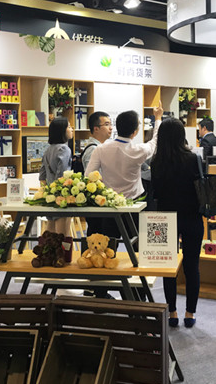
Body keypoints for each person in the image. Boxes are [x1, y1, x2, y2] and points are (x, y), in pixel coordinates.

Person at [151, 118, 204, 328]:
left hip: (165, 218)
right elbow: (200, 187)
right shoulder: (192, 158)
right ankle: (190, 313)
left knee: (168, 267)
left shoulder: (156, 162)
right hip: (191, 216)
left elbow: (155, 192)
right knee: (192, 266)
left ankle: (172, 312)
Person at [85, 106, 163, 239]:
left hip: (110, 205)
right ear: (135, 132)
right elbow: (155, 141)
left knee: (109, 244)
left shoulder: (101, 149)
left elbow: (89, 176)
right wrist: (158, 118)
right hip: (135, 204)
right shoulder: (139, 150)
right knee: (138, 244)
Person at [39, 116, 74, 238]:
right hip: (62, 196)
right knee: (62, 236)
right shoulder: (64, 149)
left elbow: (42, 175)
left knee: (50, 234)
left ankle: (48, 251)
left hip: (50, 196)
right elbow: (63, 175)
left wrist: (48, 192)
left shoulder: (48, 150)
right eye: (68, 127)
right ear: (62, 131)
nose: (72, 129)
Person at [83, 111, 113, 235]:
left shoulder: (99, 148)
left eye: (110, 124)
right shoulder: (93, 150)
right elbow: (92, 179)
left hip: (99, 202)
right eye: (106, 124)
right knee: (97, 238)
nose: (110, 128)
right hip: (96, 203)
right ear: (96, 129)